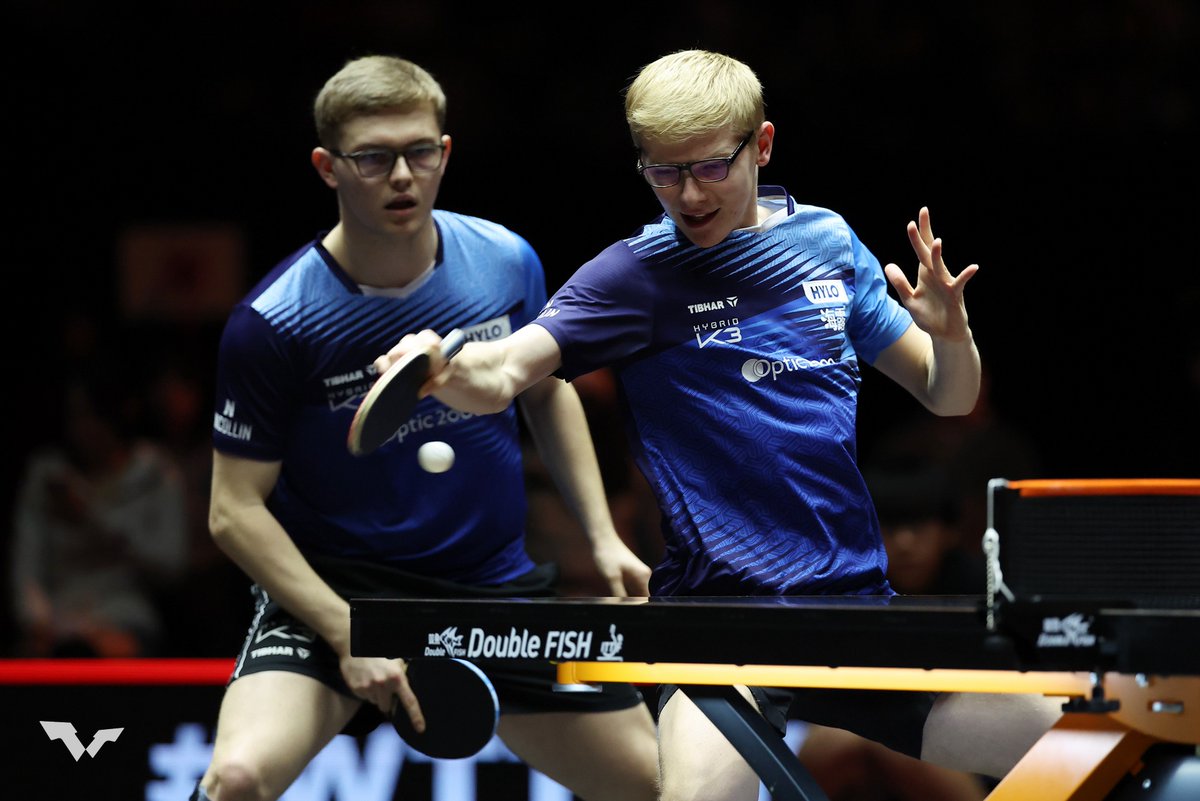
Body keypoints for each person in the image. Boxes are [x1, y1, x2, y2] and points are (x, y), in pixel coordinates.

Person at [375, 50, 1064, 801]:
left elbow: (947, 395)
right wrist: (441, 364)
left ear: (761, 145)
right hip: (716, 625)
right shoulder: (635, 275)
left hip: (854, 609)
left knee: (1086, 749)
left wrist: (952, 335)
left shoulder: (828, 244)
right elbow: (507, 369)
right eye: (664, 172)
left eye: (709, 167)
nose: (690, 194)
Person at [193, 55, 658, 801]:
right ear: (327, 167)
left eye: (419, 152)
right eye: (373, 158)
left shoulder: (504, 262)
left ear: (445, 152)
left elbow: (546, 394)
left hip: (492, 587)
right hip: (336, 590)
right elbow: (232, 509)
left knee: (657, 784)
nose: (402, 176)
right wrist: (344, 629)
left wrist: (601, 536)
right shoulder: (276, 320)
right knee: (238, 778)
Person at [10, 361, 188, 657]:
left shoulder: (156, 472)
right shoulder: (48, 474)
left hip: (125, 618)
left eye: (89, 414)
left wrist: (91, 518)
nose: (80, 427)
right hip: (54, 623)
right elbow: (26, 567)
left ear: (117, 414)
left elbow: (171, 565)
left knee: (102, 654)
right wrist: (38, 623)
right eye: (74, 416)